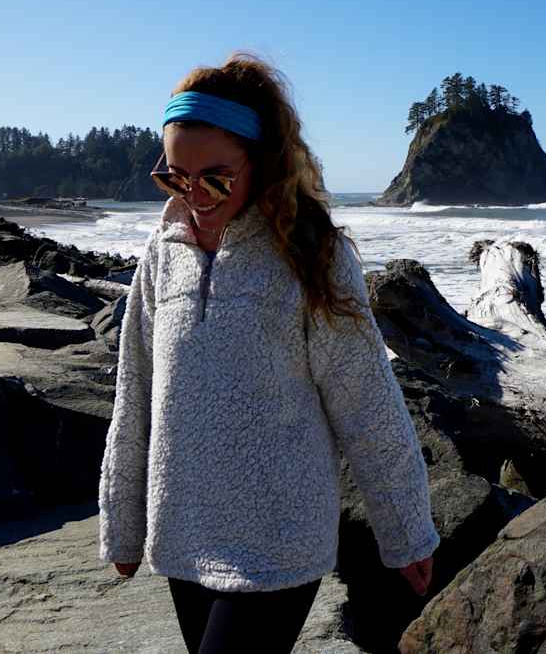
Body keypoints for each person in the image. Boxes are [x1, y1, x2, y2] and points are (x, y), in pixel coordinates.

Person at [97, 52, 440, 654]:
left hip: (277, 535)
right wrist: (124, 526)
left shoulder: (312, 256)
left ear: (262, 163)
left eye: (216, 177)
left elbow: (366, 402)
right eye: (175, 175)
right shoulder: (162, 253)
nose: (195, 194)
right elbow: (137, 393)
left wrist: (407, 532)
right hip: (183, 530)